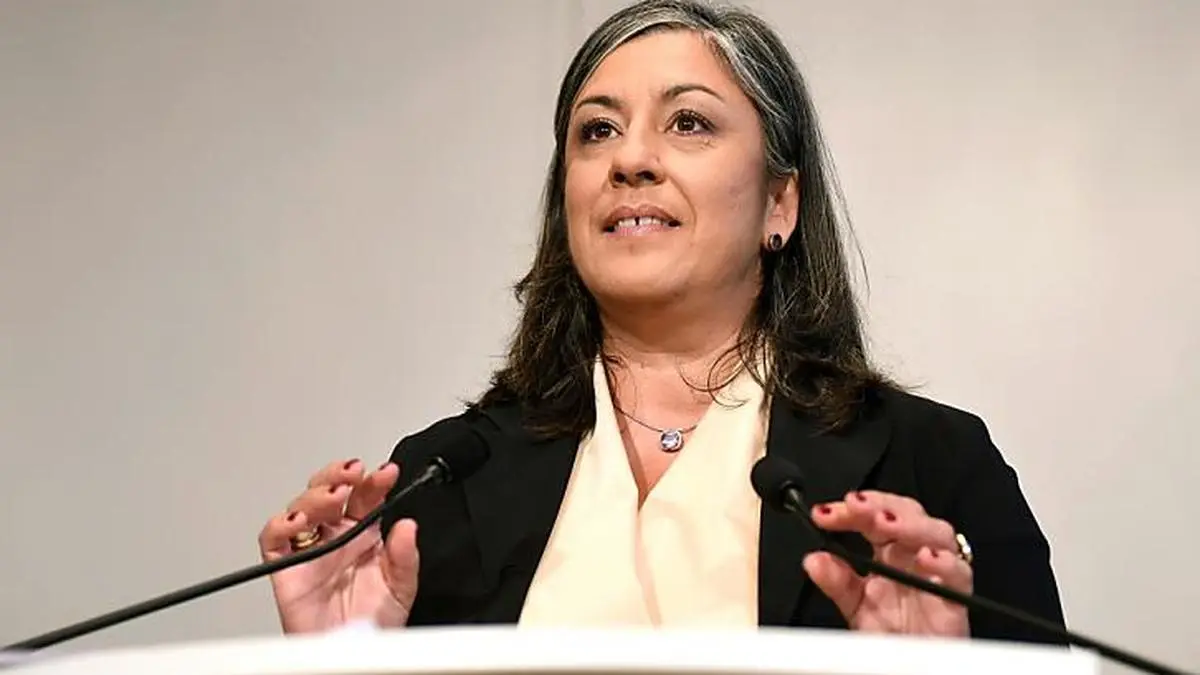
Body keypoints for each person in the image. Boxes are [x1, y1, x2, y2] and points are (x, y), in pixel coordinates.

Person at [258, 0, 1065, 643]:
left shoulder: (935, 472)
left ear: (779, 203)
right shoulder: (437, 483)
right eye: (597, 130)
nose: (630, 160)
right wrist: (339, 665)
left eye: (689, 123)